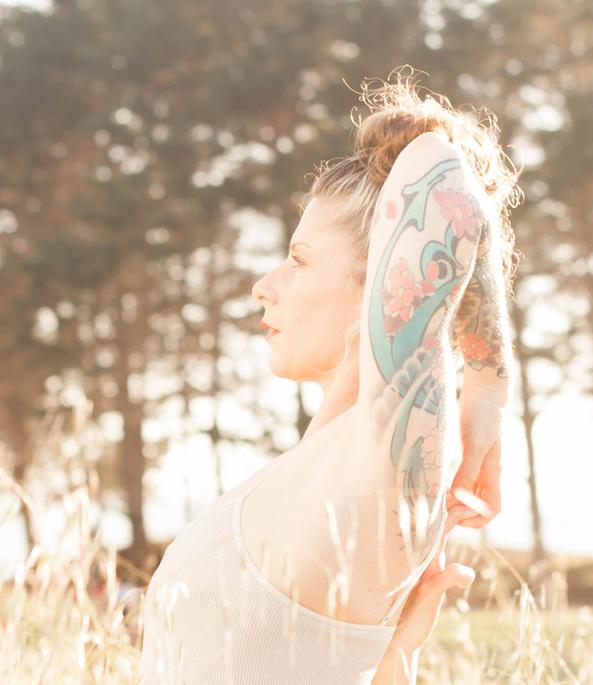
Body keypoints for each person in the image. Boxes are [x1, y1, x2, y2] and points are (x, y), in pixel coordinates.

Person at [139, 70, 520, 684]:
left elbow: (436, 166)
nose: (263, 286)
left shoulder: (385, 457)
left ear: (381, 286)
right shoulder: (320, 463)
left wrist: (488, 390)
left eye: (299, 259)